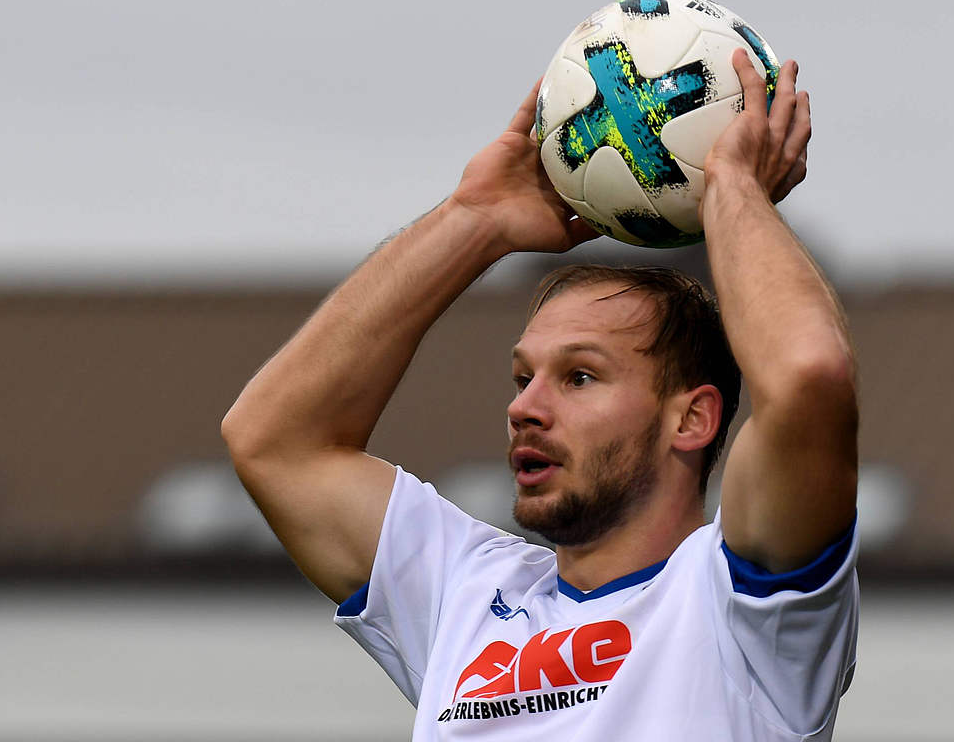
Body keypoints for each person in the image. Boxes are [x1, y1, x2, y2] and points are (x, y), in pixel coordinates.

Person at [221, 48, 857, 741]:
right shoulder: (467, 593)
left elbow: (808, 378)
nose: (524, 408)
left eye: (579, 377)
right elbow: (274, 442)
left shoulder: (746, 604)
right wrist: (474, 219)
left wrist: (732, 183)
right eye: (525, 377)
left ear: (693, 418)